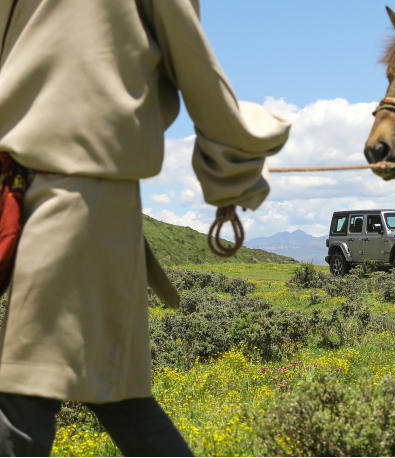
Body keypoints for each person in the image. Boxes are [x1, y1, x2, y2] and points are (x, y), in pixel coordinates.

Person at [0, 1, 290, 456]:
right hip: (33, 190)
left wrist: (233, 167)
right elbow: (198, 70)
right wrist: (233, 167)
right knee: (114, 395)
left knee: (23, 393)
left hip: (73, 199)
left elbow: (196, 69)